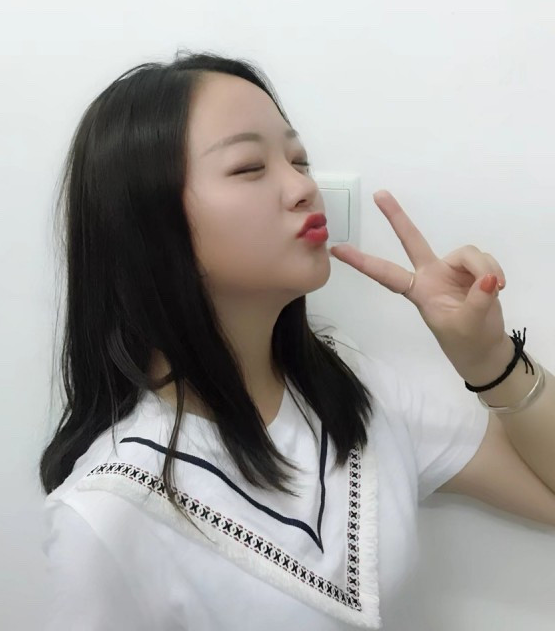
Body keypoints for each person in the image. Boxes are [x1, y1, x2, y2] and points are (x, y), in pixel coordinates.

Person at [38, 51, 489, 629]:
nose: (303, 186)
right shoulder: (108, 513)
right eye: (250, 166)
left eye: (299, 160)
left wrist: (486, 357)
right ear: (145, 221)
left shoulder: (351, 386)